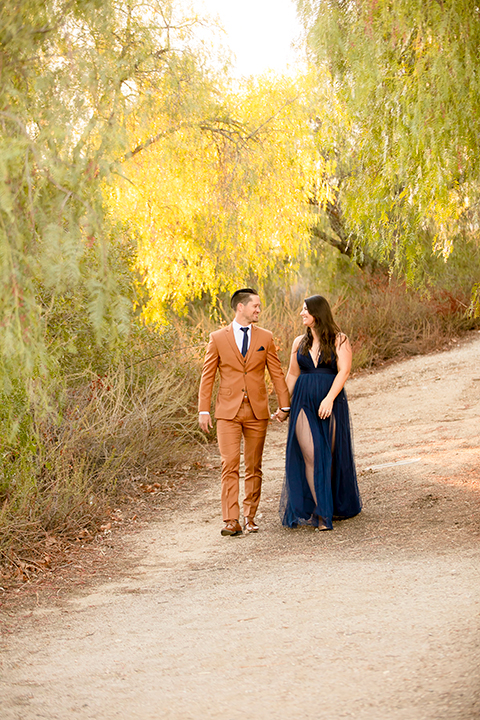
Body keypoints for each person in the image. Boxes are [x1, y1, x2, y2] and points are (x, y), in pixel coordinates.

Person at [199, 288, 290, 536]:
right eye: (255, 306)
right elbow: (207, 376)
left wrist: (285, 405)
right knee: (229, 464)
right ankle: (231, 520)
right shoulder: (217, 338)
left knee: (254, 465)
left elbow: (276, 372)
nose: (259, 310)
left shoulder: (266, 337)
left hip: (257, 411)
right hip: (227, 413)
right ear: (241, 307)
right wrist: (203, 410)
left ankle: (250, 517)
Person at [277, 295, 361, 530]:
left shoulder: (339, 339)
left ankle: (330, 505)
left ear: (318, 313)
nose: (301, 313)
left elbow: (343, 371)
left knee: (329, 455)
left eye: (306, 310)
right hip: (303, 401)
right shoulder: (298, 343)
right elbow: (292, 375)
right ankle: (320, 513)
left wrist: (329, 399)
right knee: (312, 455)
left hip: (330, 401)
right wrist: (284, 405)